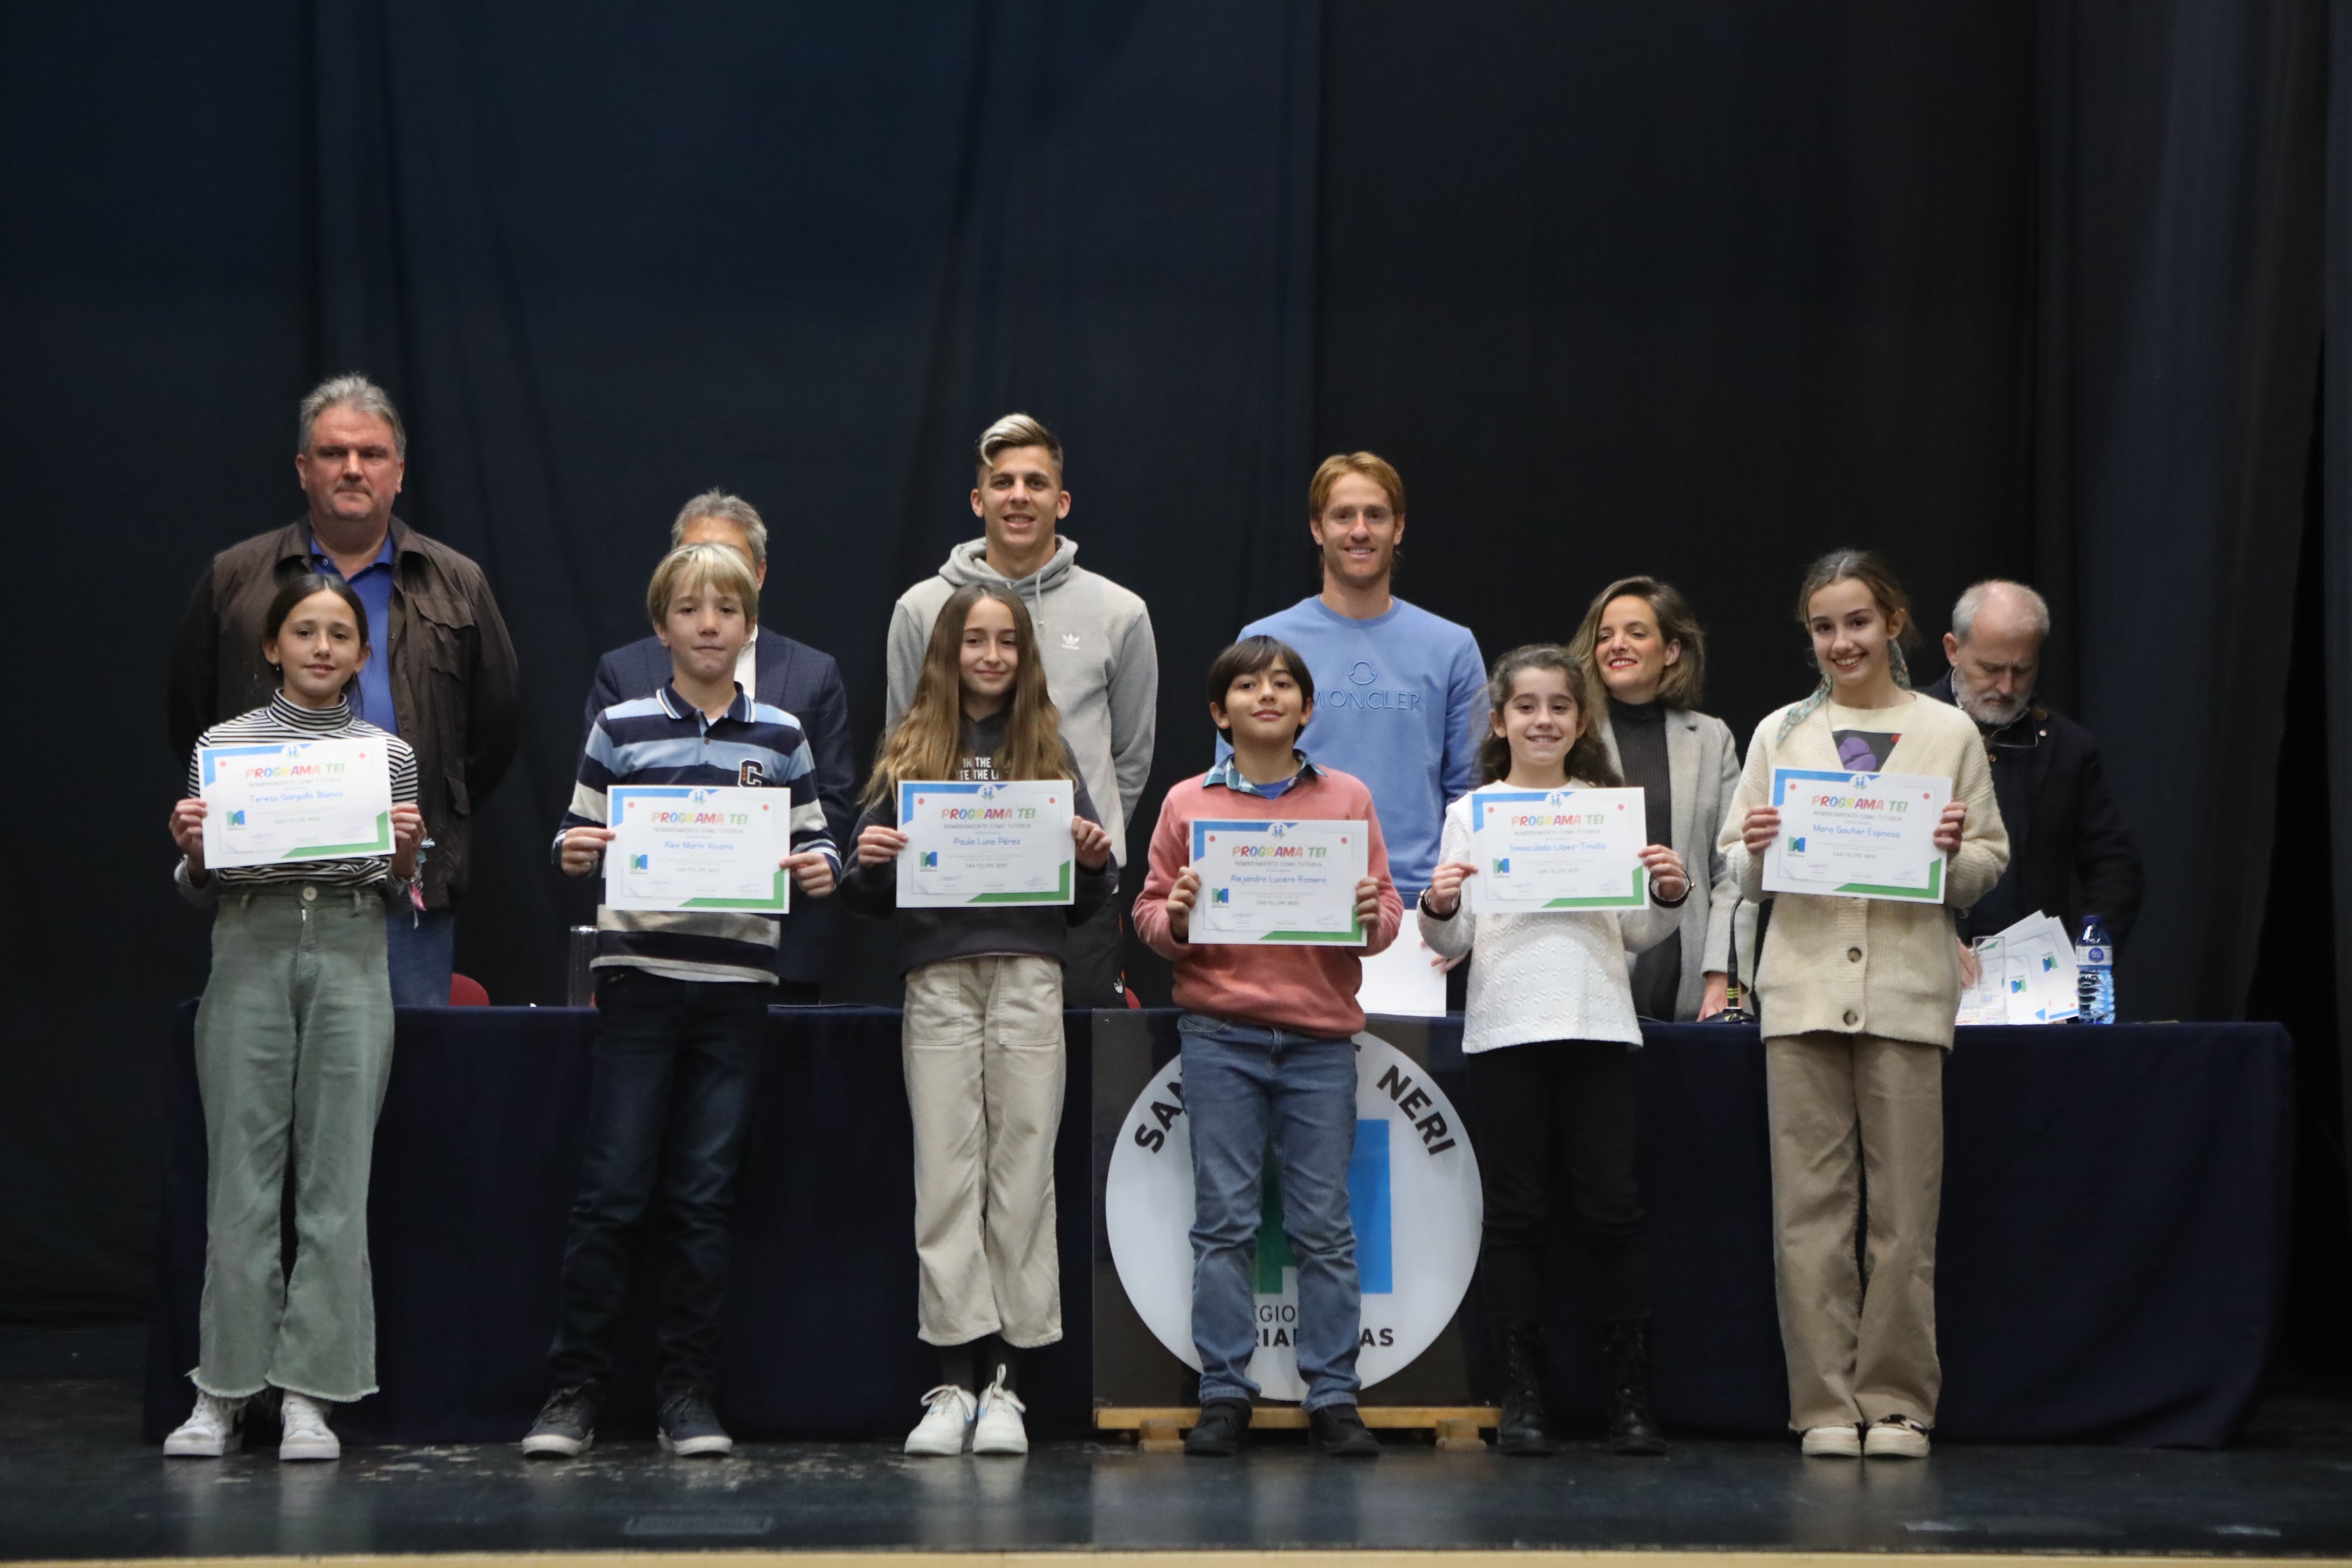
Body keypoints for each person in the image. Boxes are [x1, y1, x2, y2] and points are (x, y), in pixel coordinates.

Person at [523, 543, 839, 1461]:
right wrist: (572, 851)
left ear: (747, 628)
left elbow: (819, 847)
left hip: (737, 989)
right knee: (612, 1191)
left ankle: (686, 1395)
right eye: (691, 610)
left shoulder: (780, 735)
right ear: (661, 626)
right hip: (636, 985)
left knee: (703, 1199)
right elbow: (576, 833)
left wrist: (820, 867)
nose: (709, 625)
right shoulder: (618, 726)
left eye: (726, 611)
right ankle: (572, 1392)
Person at [1720, 550, 2008, 1461]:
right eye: (1821, 626)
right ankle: (1820, 1404)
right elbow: (1739, 865)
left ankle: (1894, 1402)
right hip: (1800, 995)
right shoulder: (1779, 733)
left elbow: (1982, 866)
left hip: (1904, 995)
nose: (1839, 641)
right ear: (1806, 636)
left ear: (1893, 624)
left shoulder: (1946, 732)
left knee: (1901, 1217)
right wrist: (1757, 846)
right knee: (1806, 1212)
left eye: (1855, 621)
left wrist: (1952, 853)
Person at [843, 584, 1116, 1458]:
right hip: (937, 977)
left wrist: (1095, 863)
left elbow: (1081, 906)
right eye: (975, 641)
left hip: (1030, 972)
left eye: (1006, 641)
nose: (991, 656)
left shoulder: (1050, 749)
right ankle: (951, 1381)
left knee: (1023, 1170)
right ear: (948, 652)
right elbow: (868, 891)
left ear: (1024, 653)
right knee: (946, 1173)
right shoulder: (910, 746)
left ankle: (1009, 1384)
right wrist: (870, 858)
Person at [161, 575, 425, 1462]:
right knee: (239, 1180)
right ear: (272, 647)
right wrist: (195, 853)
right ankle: (224, 1390)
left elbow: (394, 887)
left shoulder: (385, 756)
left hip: (351, 951)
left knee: (335, 1182)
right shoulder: (223, 748)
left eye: (339, 633)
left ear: (360, 653)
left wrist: (407, 856)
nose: (321, 646)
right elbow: (202, 884)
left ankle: (311, 1393)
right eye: (304, 631)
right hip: (250, 948)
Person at [1133, 635, 1404, 1461]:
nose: (1267, 696)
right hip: (1221, 1037)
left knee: (1325, 1224)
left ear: (1308, 708)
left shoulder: (1348, 798)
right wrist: (1178, 915)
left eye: (1284, 684)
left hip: (1321, 1040)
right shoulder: (1187, 804)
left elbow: (1388, 919)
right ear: (1220, 713)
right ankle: (1223, 1391)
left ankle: (1334, 1394)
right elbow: (1147, 921)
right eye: (1247, 686)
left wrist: (1368, 914)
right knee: (1224, 1223)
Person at [167, 375, 521, 1008]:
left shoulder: (458, 582)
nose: (352, 470)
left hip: (406, 886)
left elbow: (495, 726)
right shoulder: (236, 579)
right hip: (266, 890)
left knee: (409, 1082)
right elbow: (193, 715)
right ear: (304, 469)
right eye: (334, 454)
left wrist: (430, 804)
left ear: (400, 472)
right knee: (269, 1074)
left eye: (372, 455)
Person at [1419, 645, 1690, 1457]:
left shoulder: (1606, 809)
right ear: (1500, 722)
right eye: (1527, 707)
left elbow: (1639, 930)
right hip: (1506, 1027)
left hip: (1599, 1022)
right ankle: (1521, 1396)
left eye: (1560, 707)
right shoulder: (1475, 812)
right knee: (1516, 1217)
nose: (1543, 720)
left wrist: (1667, 892)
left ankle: (1633, 1398)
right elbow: (1456, 935)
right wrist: (1438, 904)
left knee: (1613, 1213)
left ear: (1582, 721)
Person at [887, 414, 1157, 1007]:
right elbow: (901, 747)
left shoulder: (1120, 612)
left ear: (1061, 503)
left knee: (1083, 1076)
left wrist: (1082, 850)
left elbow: (1129, 759)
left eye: (1036, 483)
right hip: (951, 892)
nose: (1019, 496)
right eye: (1003, 482)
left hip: (1074, 894)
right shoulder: (921, 608)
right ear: (978, 499)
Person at [584, 490, 857, 1001]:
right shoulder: (624, 673)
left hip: (779, 950)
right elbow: (598, 808)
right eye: (691, 559)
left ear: (759, 575)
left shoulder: (814, 675)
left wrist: (763, 868)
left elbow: (835, 802)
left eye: (728, 561)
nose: (709, 574)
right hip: (651, 953)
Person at [1234, 453, 1485, 913]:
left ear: (1399, 527)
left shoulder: (1452, 647)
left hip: (1416, 903)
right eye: (1343, 516)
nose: (1360, 531)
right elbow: (1236, 786)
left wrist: (1453, 908)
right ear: (1317, 528)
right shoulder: (1264, 641)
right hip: (1291, 891)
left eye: (1376, 515)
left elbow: (1469, 793)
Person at [1568, 575, 1754, 1020]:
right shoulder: (1570, 735)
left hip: (1690, 986)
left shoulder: (1711, 738)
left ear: (1671, 651)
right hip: (1589, 982)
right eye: (1605, 635)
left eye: (1636, 632)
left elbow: (1731, 871)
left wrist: (1725, 977)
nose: (1617, 645)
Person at [1924, 580, 2145, 950]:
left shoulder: (2070, 749)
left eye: (2022, 670)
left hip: (2034, 988)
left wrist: (2087, 964)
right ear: (1953, 650)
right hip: (1920, 976)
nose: (2007, 687)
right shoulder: (1905, 727)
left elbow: (2116, 871)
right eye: (1991, 668)